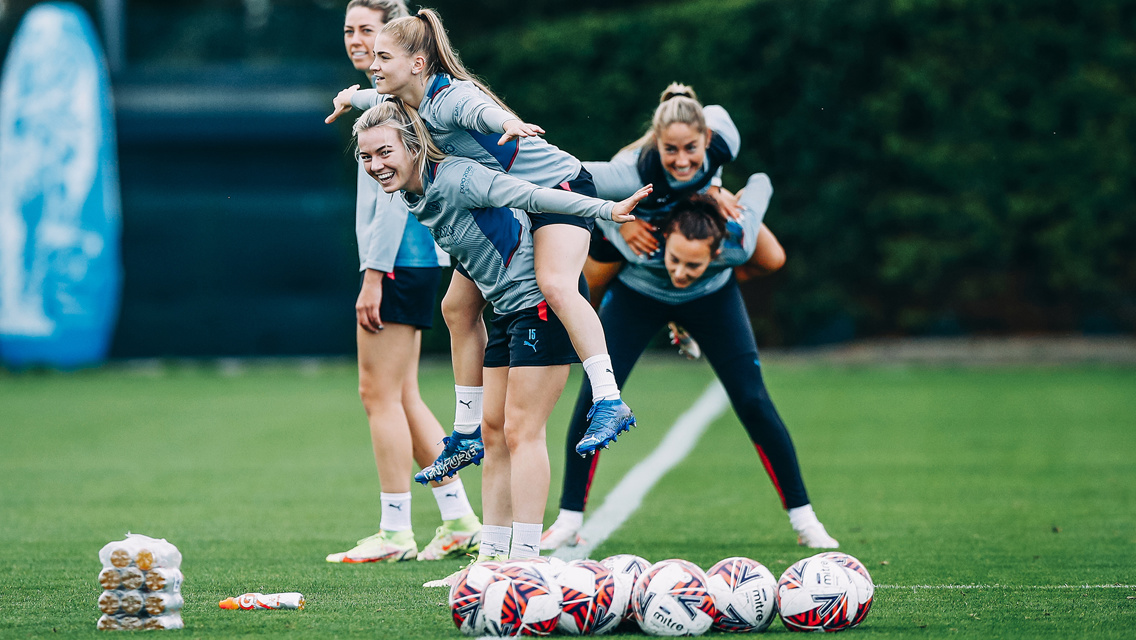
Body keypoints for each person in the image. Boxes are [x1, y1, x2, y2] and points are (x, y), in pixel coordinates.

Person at [325, 8, 635, 470]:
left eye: (382, 55)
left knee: (554, 284)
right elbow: (379, 98)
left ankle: (609, 399)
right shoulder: (408, 102)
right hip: (519, 202)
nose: (372, 60)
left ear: (417, 63)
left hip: (558, 190)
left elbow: (479, 109)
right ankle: (467, 433)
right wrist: (354, 97)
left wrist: (504, 123)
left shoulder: (449, 99)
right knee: (456, 307)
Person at [351, 100, 651, 569]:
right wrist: (356, 98)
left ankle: (526, 563)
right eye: (366, 157)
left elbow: (534, 195)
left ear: (412, 146)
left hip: (540, 307)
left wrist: (605, 210)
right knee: (493, 434)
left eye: (384, 152)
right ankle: (489, 563)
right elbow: (393, 99)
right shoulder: (412, 192)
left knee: (521, 432)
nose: (375, 165)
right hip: (504, 311)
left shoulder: (457, 177)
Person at [541, 175, 840, 551]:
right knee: (595, 398)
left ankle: (805, 519)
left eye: (692, 265)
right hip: (638, 296)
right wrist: (615, 221)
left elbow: (763, 181)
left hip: (711, 300)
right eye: (675, 260)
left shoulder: (738, 243)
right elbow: (586, 192)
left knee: (753, 401)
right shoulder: (641, 238)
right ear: (665, 240)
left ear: (716, 255)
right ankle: (569, 519)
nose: (680, 271)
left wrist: (723, 192)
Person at [325, 0, 481, 565]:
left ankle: (394, 532)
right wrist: (352, 97)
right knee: (404, 394)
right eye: (349, 29)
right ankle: (459, 517)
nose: (356, 40)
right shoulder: (389, 98)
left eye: (368, 30)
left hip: (396, 262)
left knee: (378, 395)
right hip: (416, 263)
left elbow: (392, 202)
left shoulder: (391, 107)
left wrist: (372, 275)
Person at [581, 83, 788, 360]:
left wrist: (714, 189)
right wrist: (620, 223)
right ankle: (575, 350)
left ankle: (685, 305)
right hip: (628, 218)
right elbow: (574, 183)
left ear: (707, 137)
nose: (682, 161)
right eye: (671, 149)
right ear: (657, 142)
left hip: (686, 214)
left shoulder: (725, 140)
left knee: (771, 259)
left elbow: (718, 149)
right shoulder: (631, 172)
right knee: (587, 293)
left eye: (691, 147)